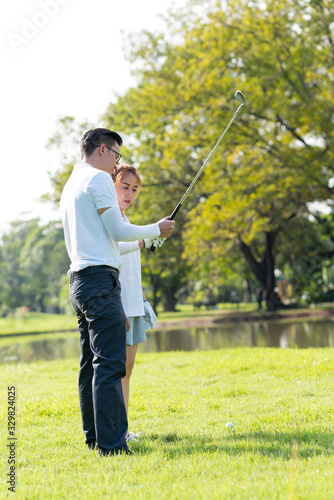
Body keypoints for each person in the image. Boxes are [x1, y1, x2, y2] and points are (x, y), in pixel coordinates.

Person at [59, 128, 175, 456]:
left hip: (79, 283)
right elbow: (118, 229)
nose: (116, 164)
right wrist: (157, 228)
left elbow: (108, 237)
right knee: (111, 365)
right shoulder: (97, 180)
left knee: (90, 365)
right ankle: (112, 447)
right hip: (100, 281)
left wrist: (145, 237)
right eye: (116, 155)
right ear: (101, 150)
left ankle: (95, 438)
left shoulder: (71, 185)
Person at [112, 164, 159, 443]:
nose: (130, 193)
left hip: (134, 303)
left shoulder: (126, 221)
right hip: (118, 304)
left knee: (128, 370)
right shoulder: (110, 220)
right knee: (118, 370)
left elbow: (129, 267)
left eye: (134, 189)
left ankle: (124, 430)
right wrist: (144, 241)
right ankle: (118, 432)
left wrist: (141, 298)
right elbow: (113, 254)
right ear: (112, 186)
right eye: (124, 187)